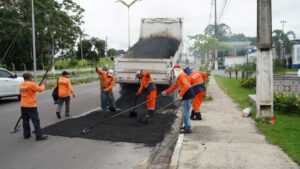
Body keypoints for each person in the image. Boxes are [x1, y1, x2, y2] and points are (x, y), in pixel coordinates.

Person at [161, 64, 195, 133]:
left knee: (186, 112)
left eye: (173, 71)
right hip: (187, 94)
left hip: (188, 94)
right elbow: (174, 86)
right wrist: (166, 92)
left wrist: (180, 94)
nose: (173, 73)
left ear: (176, 70)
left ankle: (188, 128)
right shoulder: (179, 76)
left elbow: (186, 85)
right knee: (185, 111)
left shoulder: (181, 75)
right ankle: (186, 125)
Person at [19, 73, 48, 141]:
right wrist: (43, 84)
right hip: (31, 106)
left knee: (25, 121)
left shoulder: (21, 85)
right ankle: (39, 136)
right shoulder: (31, 84)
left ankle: (26, 134)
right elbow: (40, 89)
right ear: (29, 77)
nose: (32, 78)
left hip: (23, 105)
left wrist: (35, 88)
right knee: (36, 121)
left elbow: (28, 92)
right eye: (31, 77)